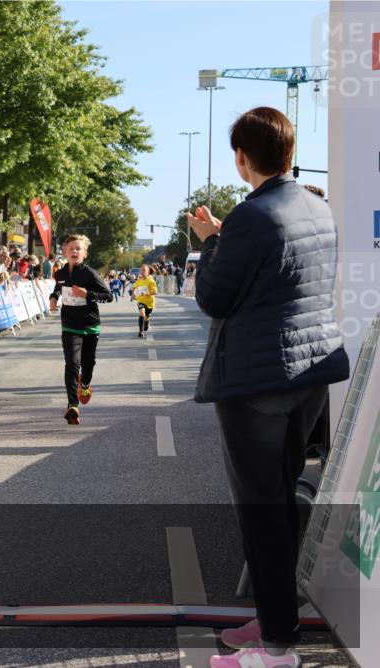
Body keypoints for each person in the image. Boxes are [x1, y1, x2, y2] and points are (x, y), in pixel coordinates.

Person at [186, 107, 349, 668]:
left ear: (242, 158)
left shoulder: (252, 217)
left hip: (257, 382)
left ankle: (278, 647)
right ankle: (273, 615)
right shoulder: (315, 205)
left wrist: (210, 240)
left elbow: (212, 296)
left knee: (262, 511)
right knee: (279, 501)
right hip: (308, 374)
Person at [48, 235, 112, 425]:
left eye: (78, 249)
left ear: (85, 253)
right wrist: (53, 298)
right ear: (65, 252)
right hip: (69, 325)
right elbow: (58, 288)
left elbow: (108, 296)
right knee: (72, 364)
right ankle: (72, 406)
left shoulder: (90, 274)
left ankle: (85, 385)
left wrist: (88, 294)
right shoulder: (60, 274)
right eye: (70, 249)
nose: (74, 251)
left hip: (90, 325)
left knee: (88, 363)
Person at [132, 265, 158, 339]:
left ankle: (147, 321)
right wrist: (133, 294)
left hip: (150, 302)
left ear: (148, 272)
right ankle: (141, 331)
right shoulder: (138, 281)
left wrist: (147, 293)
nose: (142, 272)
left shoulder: (151, 281)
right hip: (141, 301)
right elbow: (134, 287)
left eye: (144, 270)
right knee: (142, 313)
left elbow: (155, 292)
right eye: (141, 270)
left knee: (147, 315)